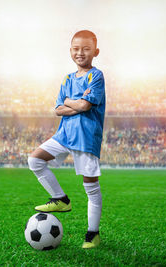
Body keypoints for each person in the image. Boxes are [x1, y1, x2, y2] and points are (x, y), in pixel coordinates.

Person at [28, 30, 105, 249]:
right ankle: (60, 199)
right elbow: (58, 110)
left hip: (86, 136)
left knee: (90, 187)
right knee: (35, 160)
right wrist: (76, 102)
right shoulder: (67, 78)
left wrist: (71, 102)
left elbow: (85, 105)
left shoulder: (96, 76)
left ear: (95, 52)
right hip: (64, 134)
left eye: (86, 49)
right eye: (76, 48)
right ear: (70, 51)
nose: (80, 53)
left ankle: (93, 234)